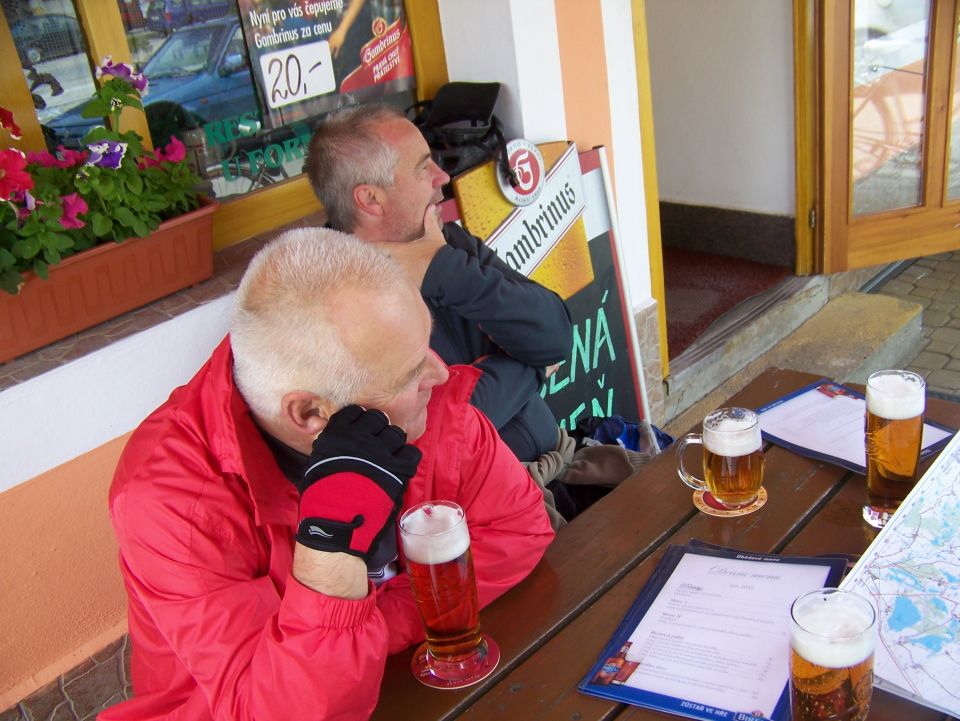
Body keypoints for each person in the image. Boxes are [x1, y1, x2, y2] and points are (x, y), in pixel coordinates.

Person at [103, 228, 554, 720]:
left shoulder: (417, 400)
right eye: (409, 373)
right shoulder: (170, 500)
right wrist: (330, 550)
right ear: (312, 414)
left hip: (402, 676)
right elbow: (272, 711)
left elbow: (520, 529)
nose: (442, 374)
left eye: (427, 344)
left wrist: (372, 629)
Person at [305, 104, 583, 525]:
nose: (443, 177)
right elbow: (443, 430)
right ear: (371, 199)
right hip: (486, 522)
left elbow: (555, 334)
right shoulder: (340, 302)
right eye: (423, 168)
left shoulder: (444, 242)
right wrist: (532, 366)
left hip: (559, 469)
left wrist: (439, 266)